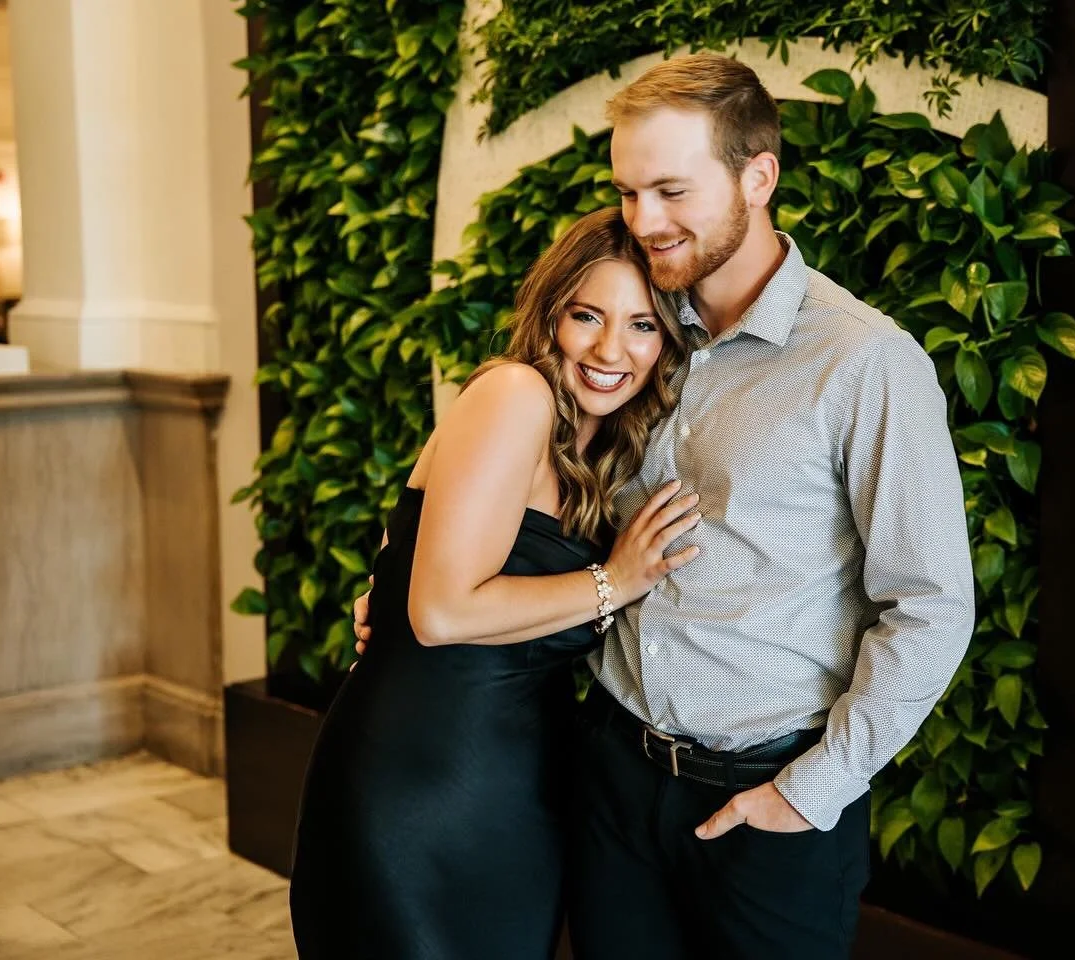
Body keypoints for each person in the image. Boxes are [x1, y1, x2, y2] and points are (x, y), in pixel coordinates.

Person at [356, 53, 975, 960]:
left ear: (758, 176)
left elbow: (931, 605)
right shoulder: (638, 334)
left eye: (672, 191)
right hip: (609, 772)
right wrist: (398, 568)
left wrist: (812, 790)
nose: (644, 220)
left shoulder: (864, 363)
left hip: (766, 799)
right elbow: (517, 480)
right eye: (629, 191)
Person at [289, 207, 697, 959]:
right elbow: (441, 611)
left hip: (513, 791)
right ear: (550, 315)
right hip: (416, 785)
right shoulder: (516, 394)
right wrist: (614, 580)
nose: (613, 349)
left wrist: (386, 581)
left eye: (644, 326)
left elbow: (406, 539)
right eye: (587, 315)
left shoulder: (600, 447)